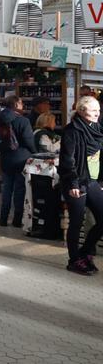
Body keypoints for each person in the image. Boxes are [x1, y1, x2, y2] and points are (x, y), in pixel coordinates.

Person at [58, 96, 103, 275]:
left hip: (91, 182)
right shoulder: (72, 131)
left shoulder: (97, 129)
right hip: (75, 182)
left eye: (98, 110)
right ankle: (74, 260)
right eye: (93, 111)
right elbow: (68, 160)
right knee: (76, 222)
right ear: (82, 111)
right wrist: (74, 183)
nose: (97, 113)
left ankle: (84, 252)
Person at [0, 95, 35, 227]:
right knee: (20, 189)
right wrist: (35, 152)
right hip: (21, 158)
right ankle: (17, 219)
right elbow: (28, 140)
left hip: (6, 157)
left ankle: (3, 218)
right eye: (21, 103)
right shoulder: (23, 121)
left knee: (7, 189)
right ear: (16, 104)